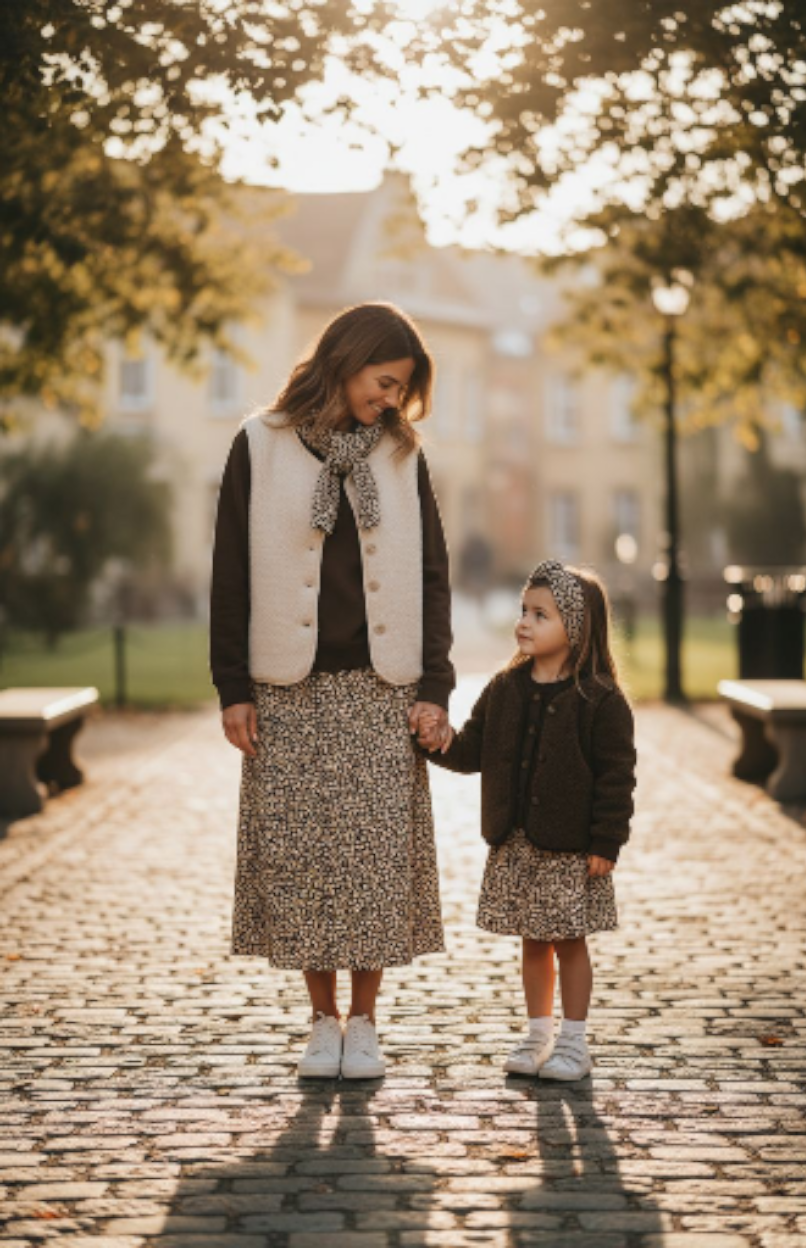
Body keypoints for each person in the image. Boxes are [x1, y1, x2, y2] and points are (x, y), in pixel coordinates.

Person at [210, 302, 454, 1080]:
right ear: (346, 361)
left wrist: (438, 686)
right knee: (307, 864)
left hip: (384, 689)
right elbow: (230, 575)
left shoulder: (402, 456)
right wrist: (232, 687)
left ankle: (367, 1024)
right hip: (288, 688)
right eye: (385, 382)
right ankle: (322, 1022)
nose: (390, 400)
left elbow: (431, 575)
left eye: (401, 390)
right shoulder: (259, 444)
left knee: (377, 867)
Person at [417, 560, 636, 1081]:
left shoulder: (600, 699)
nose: (524, 622)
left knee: (569, 941)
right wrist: (439, 742)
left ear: (576, 627)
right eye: (523, 611)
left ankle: (574, 1043)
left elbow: (616, 777)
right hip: (517, 843)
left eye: (541, 614)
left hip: (571, 847)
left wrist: (607, 840)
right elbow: (475, 747)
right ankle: (538, 1035)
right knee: (532, 941)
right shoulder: (507, 685)